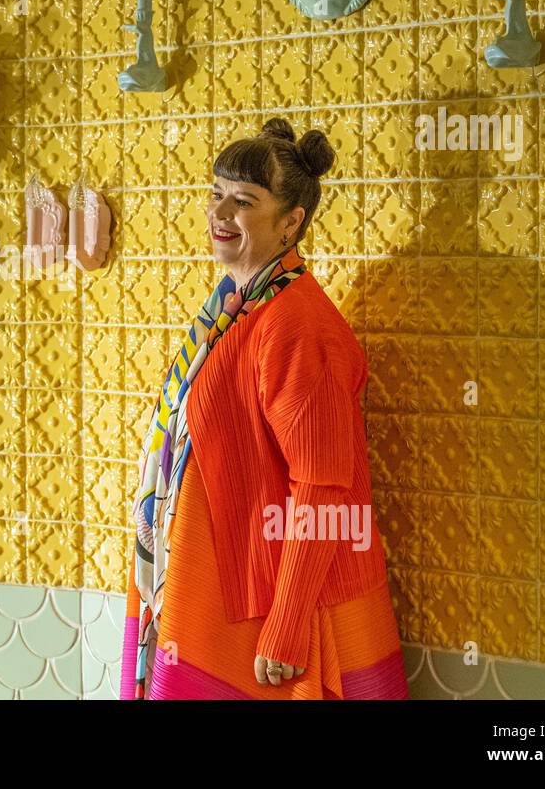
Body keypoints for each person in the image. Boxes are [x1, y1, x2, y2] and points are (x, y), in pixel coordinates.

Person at [122, 118, 408, 700]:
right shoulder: (232, 309)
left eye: (244, 201)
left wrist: (287, 623)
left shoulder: (298, 325)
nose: (220, 213)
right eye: (216, 193)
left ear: (291, 222)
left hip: (283, 611)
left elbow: (324, 488)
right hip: (223, 594)